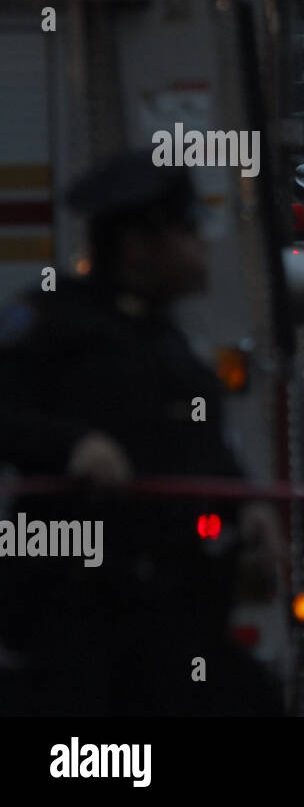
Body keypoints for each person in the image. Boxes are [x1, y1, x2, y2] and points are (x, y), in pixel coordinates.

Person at [0, 149, 284, 716]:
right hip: (80, 621)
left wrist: (246, 502)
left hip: (174, 622)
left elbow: (197, 447)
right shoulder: (50, 320)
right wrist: (75, 446)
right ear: (137, 245)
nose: (201, 247)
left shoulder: (169, 341)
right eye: (185, 232)